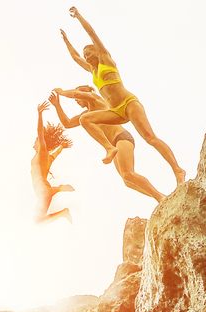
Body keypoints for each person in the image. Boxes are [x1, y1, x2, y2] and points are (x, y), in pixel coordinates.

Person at [60, 6, 186, 185]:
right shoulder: (92, 70)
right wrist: (66, 40)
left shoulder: (106, 59)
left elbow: (92, 34)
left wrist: (79, 16)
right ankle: (109, 148)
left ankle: (178, 170)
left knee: (150, 138)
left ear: (97, 51)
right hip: (116, 112)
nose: (86, 57)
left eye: (89, 53)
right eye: (85, 55)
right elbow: (75, 57)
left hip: (129, 104)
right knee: (85, 119)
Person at [49, 87, 165, 203]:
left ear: (86, 93)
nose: (76, 100)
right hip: (114, 144)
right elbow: (67, 123)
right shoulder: (86, 114)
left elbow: (76, 94)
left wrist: (62, 92)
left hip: (121, 138)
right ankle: (160, 196)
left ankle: (159, 197)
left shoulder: (96, 100)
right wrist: (57, 105)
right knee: (127, 181)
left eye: (79, 96)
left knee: (128, 174)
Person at [31, 101, 75, 223]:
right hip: (43, 190)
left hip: (42, 189)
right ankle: (63, 209)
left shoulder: (41, 152)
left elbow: (40, 132)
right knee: (38, 221)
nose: (33, 144)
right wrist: (62, 146)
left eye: (35, 141)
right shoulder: (47, 157)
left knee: (37, 221)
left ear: (40, 142)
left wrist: (40, 114)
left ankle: (59, 190)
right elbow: (56, 154)